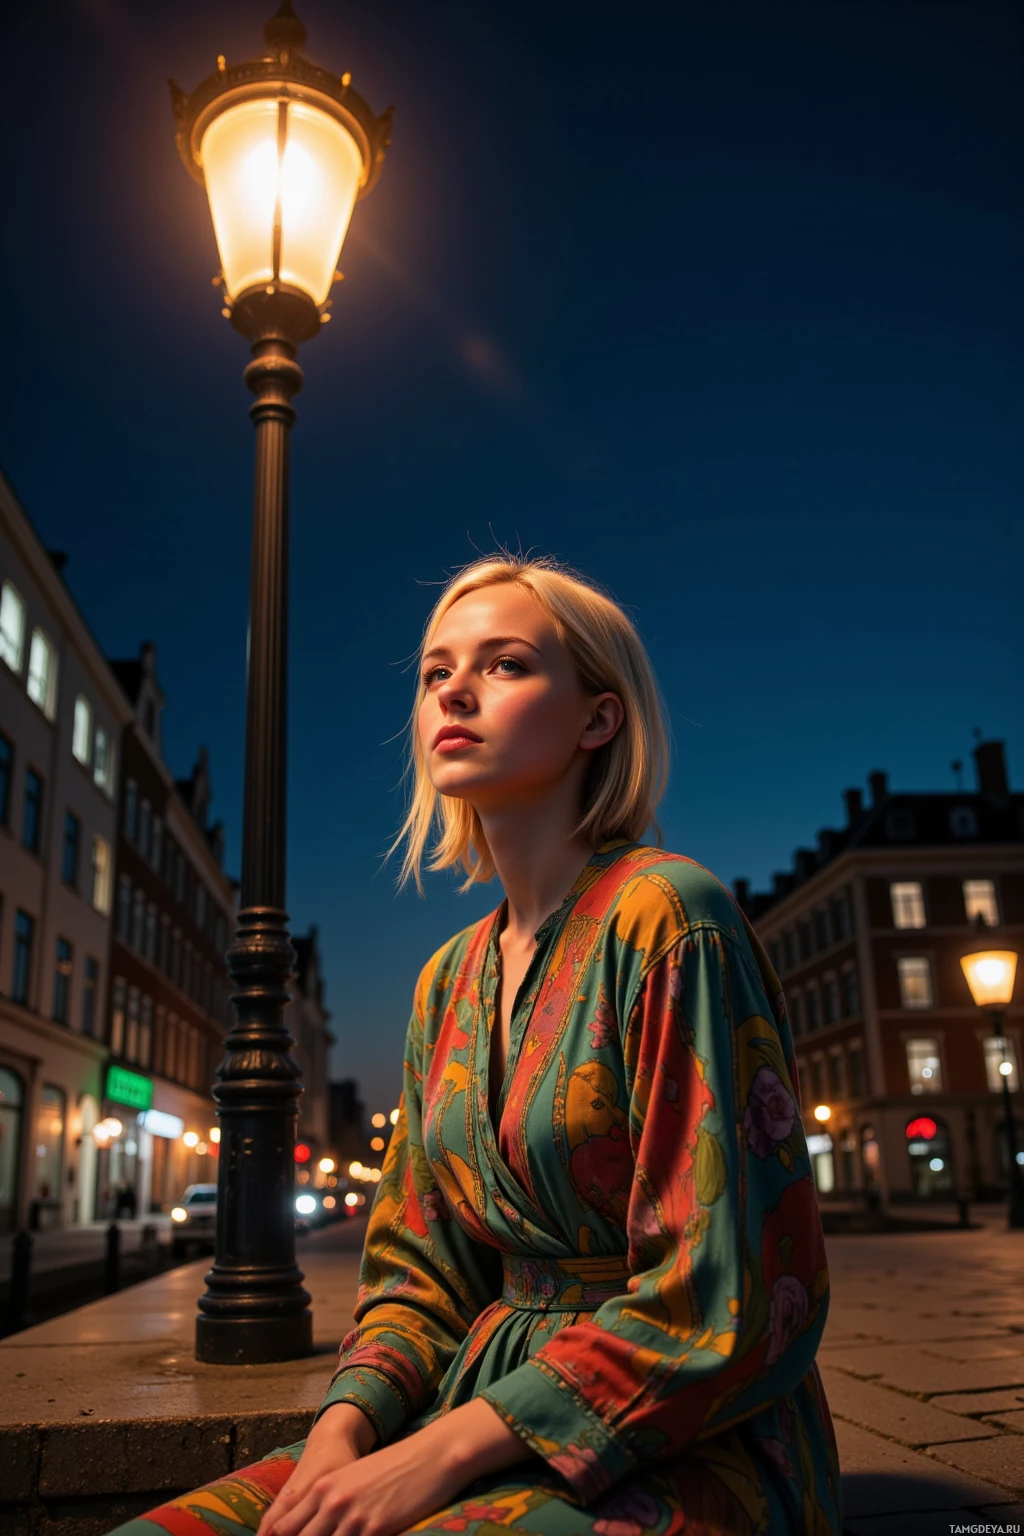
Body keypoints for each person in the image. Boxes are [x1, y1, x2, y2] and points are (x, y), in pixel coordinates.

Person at [109, 555, 841, 1536]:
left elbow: (730, 1291)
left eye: (502, 665)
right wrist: (339, 1437)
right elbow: (416, 1272)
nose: (453, 688)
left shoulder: (671, 919)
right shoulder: (446, 981)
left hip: (692, 1438)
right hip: (470, 1400)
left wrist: (436, 1457)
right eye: (433, 672)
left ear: (597, 718)